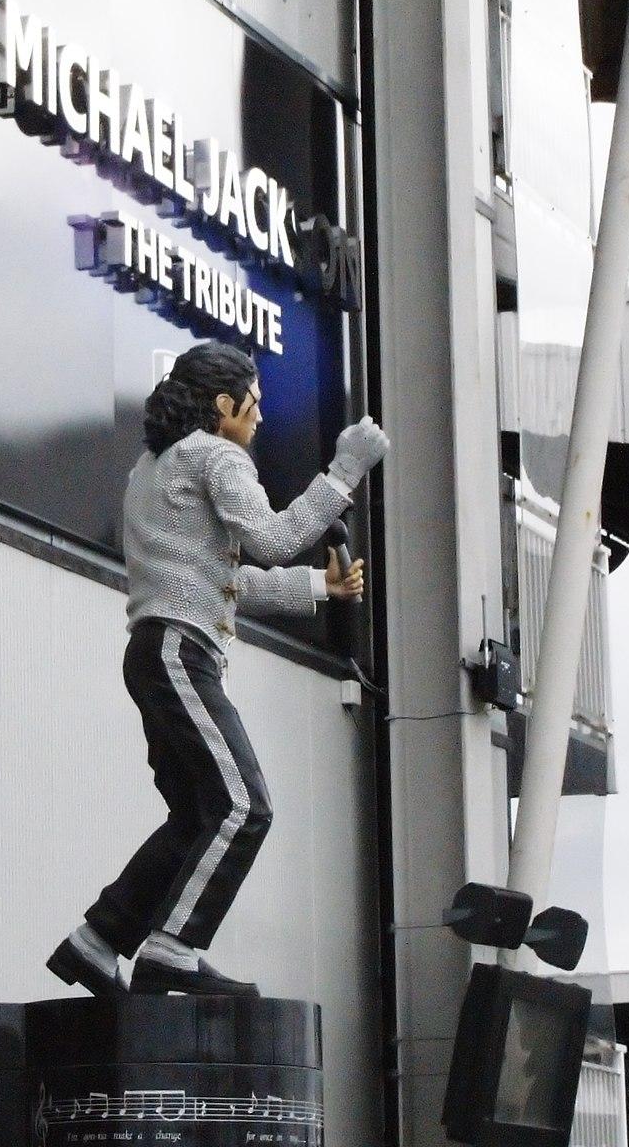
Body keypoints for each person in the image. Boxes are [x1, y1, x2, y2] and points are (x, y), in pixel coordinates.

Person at [47, 340, 389, 997]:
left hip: (157, 650)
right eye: (254, 403)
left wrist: (319, 587)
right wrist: (345, 470)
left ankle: (96, 943)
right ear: (224, 405)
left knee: (196, 815)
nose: (260, 417)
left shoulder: (151, 468)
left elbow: (220, 582)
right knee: (243, 804)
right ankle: (172, 948)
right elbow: (274, 539)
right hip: (181, 652)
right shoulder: (216, 455)